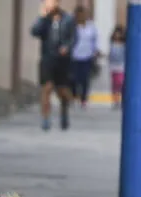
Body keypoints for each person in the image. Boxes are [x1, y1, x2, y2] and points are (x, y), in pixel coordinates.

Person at [31, 0, 77, 131]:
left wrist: (67, 47)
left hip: (62, 61)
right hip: (47, 59)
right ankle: (45, 118)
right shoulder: (44, 20)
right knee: (47, 88)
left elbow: (74, 37)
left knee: (62, 91)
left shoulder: (68, 19)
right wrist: (42, 17)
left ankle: (64, 112)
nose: (49, 5)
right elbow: (34, 32)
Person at [70, 5, 99, 109]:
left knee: (85, 79)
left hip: (87, 55)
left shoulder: (91, 26)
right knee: (73, 78)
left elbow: (94, 39)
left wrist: (95, 50)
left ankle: (83, 99)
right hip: (74, 55)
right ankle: (73, 96)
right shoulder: (72, 26)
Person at [108, 25, 126, 110]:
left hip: (121, 66)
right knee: (115, 85)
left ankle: (121, 100)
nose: (117, 36)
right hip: (114, 67)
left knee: (121, 83)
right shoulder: (112, 44)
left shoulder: (124, 45)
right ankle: (115, 100)